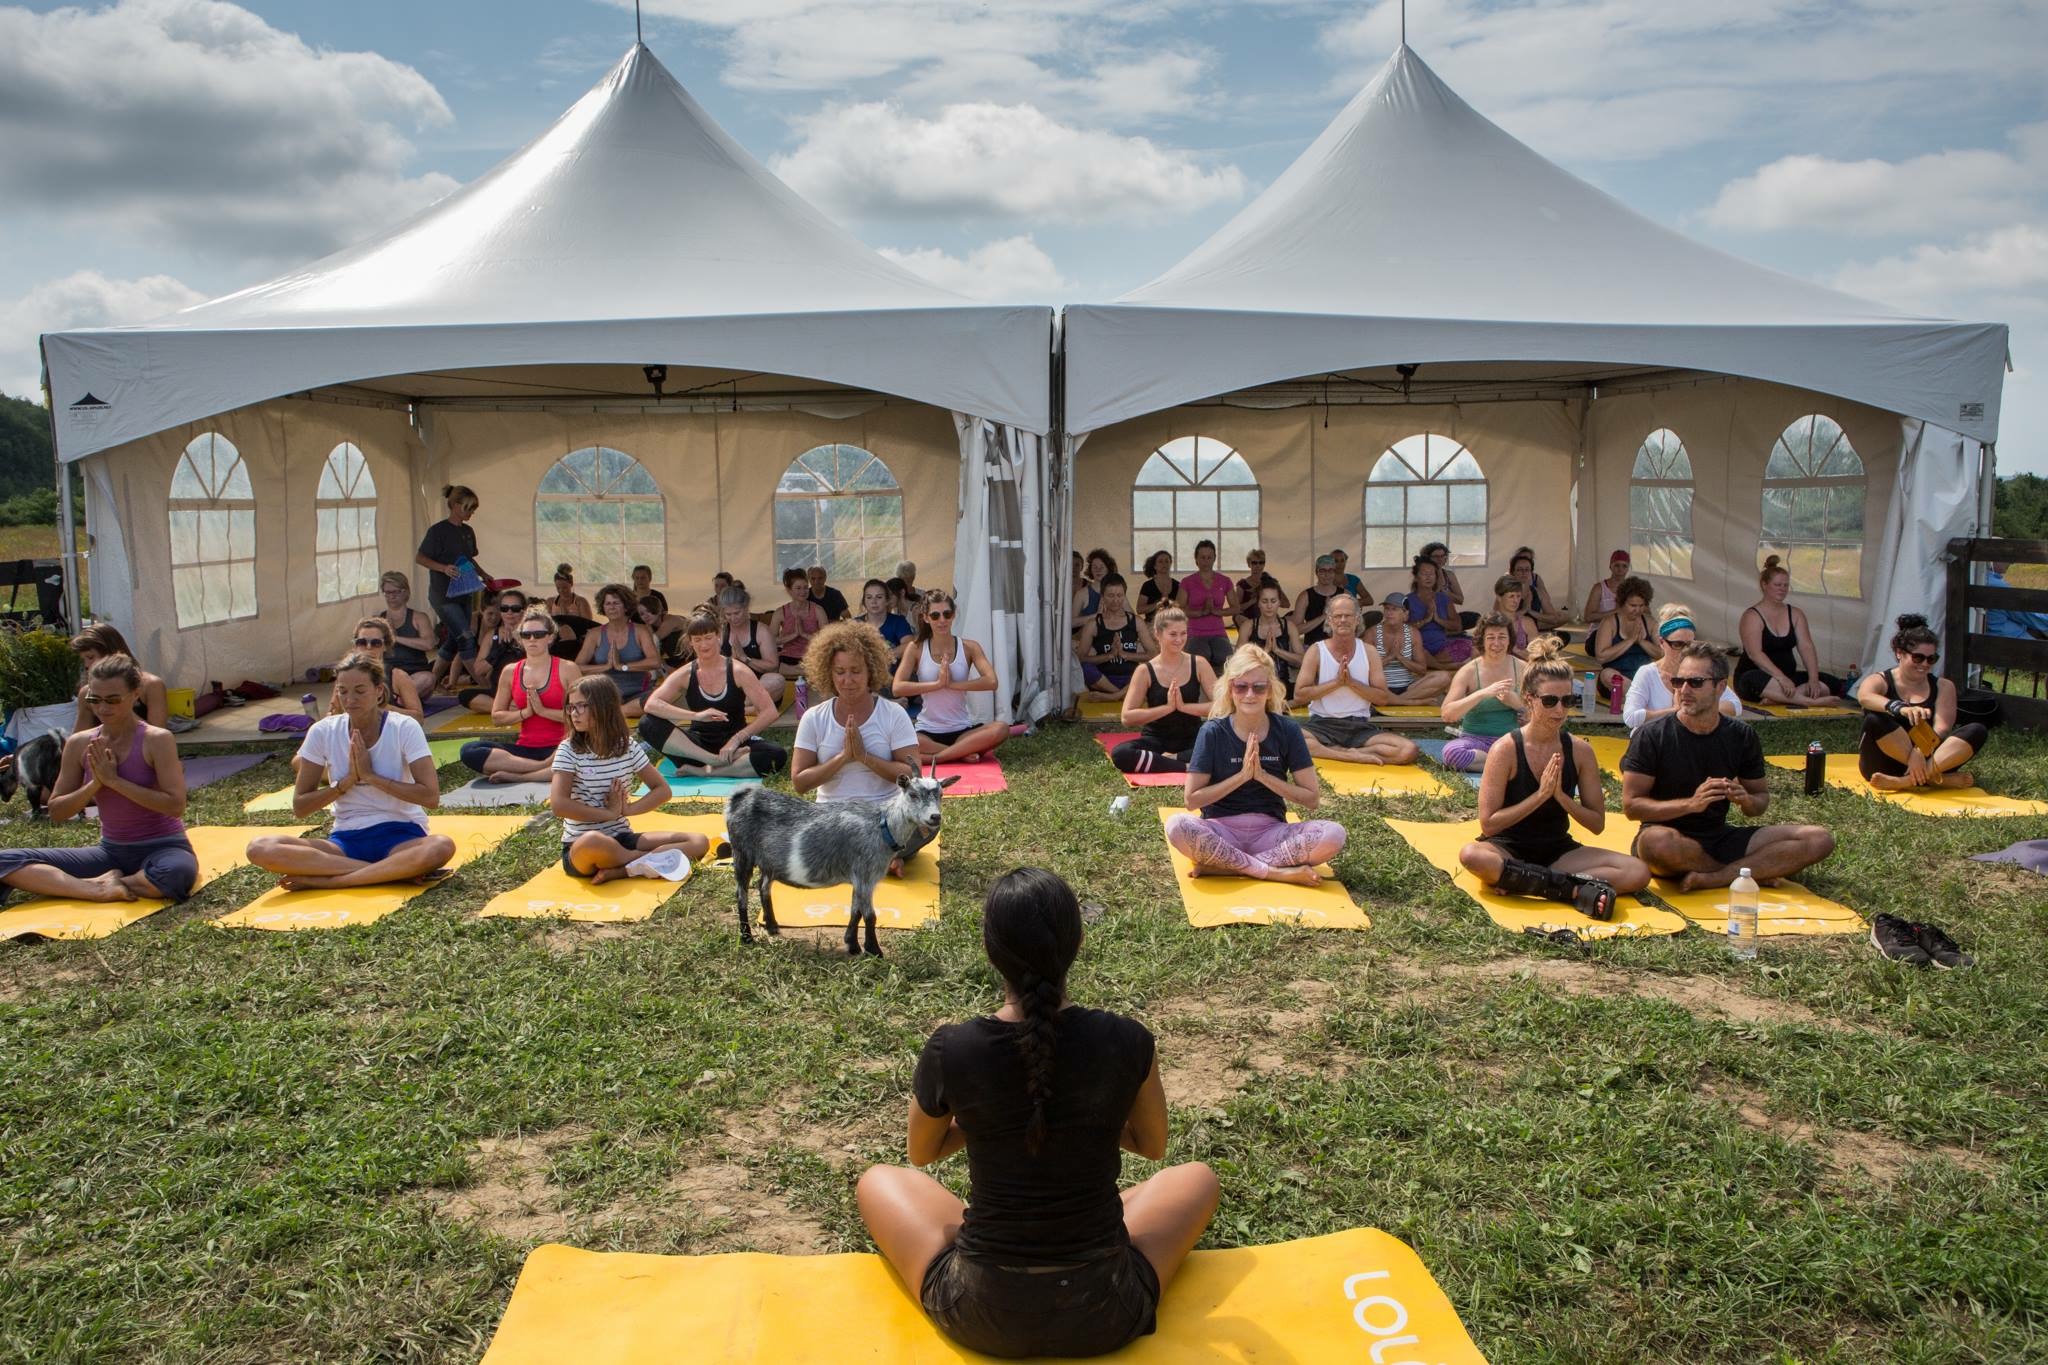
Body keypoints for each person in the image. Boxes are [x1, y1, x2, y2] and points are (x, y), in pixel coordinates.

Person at [856, 868, 1220, 1360]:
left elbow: (921, 1154)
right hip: (1106, 1311)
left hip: (981, 1312)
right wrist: (1085, 1118)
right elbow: (1152, 1146)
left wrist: (982, 1119)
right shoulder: (1129, 1040)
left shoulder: (952, 1047)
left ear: (991, 950)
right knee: (1197, 1178)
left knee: (878, 1180)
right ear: (1078, 941)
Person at [1457, 637, 1651, 919]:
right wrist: (1540, 796)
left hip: (1558, 850)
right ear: (1529, 700)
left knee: (1638, 871)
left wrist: (1561, 798)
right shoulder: (1506, 749)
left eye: (1567, 701)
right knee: (1472, 856)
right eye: (1550, 701)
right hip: (1507, 848)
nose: (1560, 710)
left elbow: (1596, 824)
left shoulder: (1580, 751)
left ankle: (1528, 881)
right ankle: (1571, 889)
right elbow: (1488, 823)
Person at [1622, 643, 1834, 891]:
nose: (1684, 690)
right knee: (1655, 844)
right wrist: (1691, 804)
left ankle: (1716, 878)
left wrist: (1744, 799)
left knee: (1819, 838)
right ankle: (1751, 871)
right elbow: (1632, 806)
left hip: (1720, 837)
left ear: (1721, 687)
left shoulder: (1741, 735)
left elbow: (1760, 801)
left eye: (1696, 682)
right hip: (1668, 835)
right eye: (1678, 682)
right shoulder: (1651, 735)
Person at [246, 653, 455, 890]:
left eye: (359, 691)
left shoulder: (403, 727)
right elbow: (301, 806)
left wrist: (371, 777)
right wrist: (345, 784)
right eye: (342, 691)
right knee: (260, 848)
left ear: (379, 691)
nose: (350, 699)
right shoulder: (322, 731)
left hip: (402, 836)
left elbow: (430, 797)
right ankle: (390, 872)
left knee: (440, 846)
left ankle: (332, 880)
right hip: (345, 841)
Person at [1, 654, 196, 904]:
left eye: (113, 700)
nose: (103, 708)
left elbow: (176, 805)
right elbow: (58, 811)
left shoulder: (157, 739)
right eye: (95, 699)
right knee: (4, 860)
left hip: (164, 848)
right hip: (110, 852)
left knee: (175, 875)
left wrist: (115, 782)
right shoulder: (80, 743)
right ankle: (96, 889)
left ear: (136, 694)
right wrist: (95, 784)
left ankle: (96, 884)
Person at [1165, 645, 1347, 886]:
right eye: (1241, 686)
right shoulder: (1212, 732)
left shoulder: (1287, 730)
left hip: (1272, 834)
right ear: (1231, 690)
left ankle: (1230, 867)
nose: (1249, 694)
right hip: (1221, 831)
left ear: (1270, 690)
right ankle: (1274, 872)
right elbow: (1192, 800)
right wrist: (1241, 776)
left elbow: (1311, 799)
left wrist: (1262, 776)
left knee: (1334, 834)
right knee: (1176, 826)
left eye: (1258, 687)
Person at [551, 675, 709, 881]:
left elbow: (662, 790)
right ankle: (641, 860)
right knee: (593, 841)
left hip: (621, 837)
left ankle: (623, 869)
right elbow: (559, 805)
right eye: (571, 707)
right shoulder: (568, 749)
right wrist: (608, 814)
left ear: (603, 707)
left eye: (581, 706)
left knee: (698, 841)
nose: (574, 713)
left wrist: (627, 810)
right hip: (581, 846)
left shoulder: (626, 747)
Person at [637, 613, 789, 778]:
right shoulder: (686, 673)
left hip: (734, 747)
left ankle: (705, 771)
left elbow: (769, 711)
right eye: (697, 640)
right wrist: (697, 715)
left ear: (718, 636)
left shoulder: (738, 670)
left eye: (708, 638)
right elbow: (651, 704)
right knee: (647, 722)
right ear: (691, 642)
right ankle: (714, 762)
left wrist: (736, 740)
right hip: (696, 751)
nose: (704, 645)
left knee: (776, 754)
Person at [792, 621, 921, 804]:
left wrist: (864, 757)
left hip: (884, 815)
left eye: (856, 671)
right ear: (829, 673)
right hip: (831, 817)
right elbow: (800, 783)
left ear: (871, 671)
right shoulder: (813, 718)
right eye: (840, 672)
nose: (848, 680)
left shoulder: (894, 714)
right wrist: (843, 757)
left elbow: (914, 775)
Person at [1855, 615, 1988, 791]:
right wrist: (1899, 708)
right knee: (1874, 718)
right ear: (1899, 653)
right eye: (1918, 658)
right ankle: (1933, 778)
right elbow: (1864, 696)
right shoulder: (1880, 680)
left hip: (1928, 757)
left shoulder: (1943, 686)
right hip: (1883, 764)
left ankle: (1908, 781)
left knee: (1977, 730)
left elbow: (1942, 728)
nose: (1925, 664)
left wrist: (1919, 751)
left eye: (1931, 659)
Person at [1292, 595, 1420, 765]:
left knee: (1408, 750)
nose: (1343, 620)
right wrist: (1336, 683)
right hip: (1321, 724)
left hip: (1359, 727)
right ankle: (1350, 755)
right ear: (1329, 620)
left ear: (1357, 619)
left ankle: (1340, 752)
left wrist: (1351, 683)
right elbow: (1300, 695)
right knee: (1291, 739)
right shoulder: (1316, 650)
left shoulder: (1369, 652)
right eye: (1337, 616)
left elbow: (1382, 698)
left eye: (1348, 615)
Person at [461, 607, 577, 780]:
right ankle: (541, 768)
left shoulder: (567, 668)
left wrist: (543, 711)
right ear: (520, 638)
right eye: (526, 635)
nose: (532, 639)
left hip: (564, 746)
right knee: (469, 751)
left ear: (550, 637)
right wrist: (526, 713)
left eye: (538, 634)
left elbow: (587, 715)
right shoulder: (511, 671)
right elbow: (497, 717)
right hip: (526, 750)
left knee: (584, 754)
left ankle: (520, 775)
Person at [894, 589, 1009, 764]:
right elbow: (898, 687)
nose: (942, 620)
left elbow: (991, 681)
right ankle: (959, 754)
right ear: (926, 618)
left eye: (946, 614)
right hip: (927, 733)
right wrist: (937, 684)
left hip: (962, 732)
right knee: (899, 741)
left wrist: (953, 684)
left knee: (1001, 729)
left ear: (953, 615)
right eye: (935, 616)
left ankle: (938, 758)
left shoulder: (970, 647)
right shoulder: (915, 648)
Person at [1111, 607, 1213, 775]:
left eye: (1183, 633)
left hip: (1192, 739)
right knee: (1121, 754)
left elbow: (1223, 706)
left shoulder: (1199, 663)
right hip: (1156, 740)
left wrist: (1183, 707)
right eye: (1173, 634)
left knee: (1227, 744)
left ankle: (1169, 760)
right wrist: (1167, 708)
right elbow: (1126, 717)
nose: (1179, 640)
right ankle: (1183, 765)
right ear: (1157, 634)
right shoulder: (1144, 671)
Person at [1737, 556, 1846, 706]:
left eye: (1786, 585)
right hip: (1759, 677)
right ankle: (1809, 701)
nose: (1782, 589)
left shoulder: (1795, 613)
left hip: (1789, 678)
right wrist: (1780, 678)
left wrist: (1813, 679)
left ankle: (1778, 699)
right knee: (1751, 679)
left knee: (1832, 682)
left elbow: (1806, 647)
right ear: (1764, 585)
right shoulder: (1752, 616)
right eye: (1777, 585)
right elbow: (1754, 654)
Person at [414, 485, 487, 689]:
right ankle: (483, 684)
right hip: (443, 595)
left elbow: (469, 559)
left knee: (455, 639)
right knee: (465, 637)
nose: (471, 513)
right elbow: (420, 557)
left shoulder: (467, 531)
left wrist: (483, 574)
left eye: (473, 509)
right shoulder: (438, 531)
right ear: (454, 506)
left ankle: (432, 680)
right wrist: (443, 568)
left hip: (464, 591)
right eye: (468, 508)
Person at [1624, 604, 1739, 731]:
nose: (1684, 650)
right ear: (1662, 643)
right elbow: (1630, 717)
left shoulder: (1700, 670)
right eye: (1677, 644)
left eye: (1689, 644)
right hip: (1652, 743)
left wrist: (1697, 708)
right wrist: (1675, 711)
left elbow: (1735, 706)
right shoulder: (1648, 673)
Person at [1439, 613, 1526, 772]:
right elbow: (1447, 714)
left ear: (1509, 639)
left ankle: (1505, 764)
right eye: (1491, 637)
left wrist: (1516, 703)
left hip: (1511, 740)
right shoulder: (1469, 671)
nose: (1496, 643)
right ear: (1482, 640)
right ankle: (1508, 766)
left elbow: (1540, 714)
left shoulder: (1522, 668)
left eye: (1502, 637)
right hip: (1474, 741)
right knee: (1452, 753)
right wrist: (1482, 694)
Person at [574, 583, 660, 717]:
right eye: (608, 604)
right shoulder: (594, 634)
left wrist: (623, 666)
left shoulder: (640, 630)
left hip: (638, 694)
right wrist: (606, 666)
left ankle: (616, 712)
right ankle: (618, 711)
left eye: (616, 603)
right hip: (605, 695)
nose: (612, 607)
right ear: (603, 607)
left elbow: (655, 662)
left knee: (657, 701)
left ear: (626, 606)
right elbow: (577, 667)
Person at [69, 624, 168, 730]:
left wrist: (123, 707)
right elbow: (79, 738)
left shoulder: (151, 685)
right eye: (82, 660)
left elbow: (158, 736)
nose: (86, 665)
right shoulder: (86, 693)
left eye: (90, 657)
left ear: (111, 652)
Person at [337, 617, 427, 724]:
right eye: (362, 642)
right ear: (355, 645)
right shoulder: (345, 676)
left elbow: (419, 719)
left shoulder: (398, 676)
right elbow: (334, 714)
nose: (368, 647)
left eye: (376, 643)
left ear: (385, 646)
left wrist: (382, 708)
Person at [1590, 575, 1663, 707]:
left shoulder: (1650, 623)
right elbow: (1601, 656)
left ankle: (1639, 698)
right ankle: (1642, 698)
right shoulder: (1610, 622)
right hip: (1616, 678)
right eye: (1633, 605)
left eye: (1641, 606)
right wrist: (1630, 641)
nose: (1637, 610)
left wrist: (1642, 642)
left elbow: (1662, 654)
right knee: (1608, 674)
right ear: (1622, 603)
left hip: (1643, 677)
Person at [1077, 574, 1153, 697]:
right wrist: (1109, 656)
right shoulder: (1093, 624)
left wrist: (1125, 655)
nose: (1115, 600)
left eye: (1119, 595)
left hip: (1131, 680)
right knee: (1085, 668)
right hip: (1103, 681)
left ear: (1124, 596)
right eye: (1111, 596)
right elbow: (1081, 658)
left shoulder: (1136, 622)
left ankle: (1114, 696)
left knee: (1152, 667)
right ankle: (1119, 694)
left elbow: (1152, 654)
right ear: (1102, 597)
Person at [1367, 592, 1450, 703]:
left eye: (1395, 609)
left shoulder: (1413, 634)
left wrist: (1400, 658)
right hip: (1380, 688)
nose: (1389, 613)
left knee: (1444, 677)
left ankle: (1398, 701)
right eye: (1387, 609)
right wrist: (1390, 657)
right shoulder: (1372, 633)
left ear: (1405, 614)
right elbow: (1364, 669)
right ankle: (1402, 701)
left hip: (1408, 688)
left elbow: (1421, 670)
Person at [717, 585, 787, 704]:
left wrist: (745, 658)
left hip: (758, 685)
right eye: (728, 614)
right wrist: (732, 661)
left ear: (746, 608)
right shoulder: (721, 631)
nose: (733, 618)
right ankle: (749, 708)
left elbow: (773, 665)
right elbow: (712, 667)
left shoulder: (761, 631)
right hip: (731, 686)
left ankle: (741, 706)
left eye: (737, 613)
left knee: (776, 680)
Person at [458, 590, 526, 710]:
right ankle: (510, 708)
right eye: (505, 608)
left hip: (526, 689)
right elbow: (478, 670)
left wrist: (518, 644)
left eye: (515, 608)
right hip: (499, 691)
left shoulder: (531, 633)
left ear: (523, 611)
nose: (509, 612)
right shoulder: (492, 635)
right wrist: (498, 650)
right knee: (464, 696)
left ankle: (509, 707)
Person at [377, 571, 440, 698]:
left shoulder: (419, 618)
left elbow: (429, 644)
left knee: (428, 678)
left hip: (415, 673)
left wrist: (395, 638)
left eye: (396, 592)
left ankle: (395, 699)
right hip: (389, 672)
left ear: (405, 592)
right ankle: (398, 699)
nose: (392, 596)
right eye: (388, 593)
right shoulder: (378, 620)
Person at [1179, 539, 1237, 670]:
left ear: (1214, 558)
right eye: (1202, 557)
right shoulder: (1187, 582)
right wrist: (1200, 613)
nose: (1206, 561)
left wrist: (1217, 612)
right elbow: (1179, 609)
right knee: (1201, 658)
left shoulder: (1225, 581)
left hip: (1218, 632)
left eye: (1209, 557)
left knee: (1226, 658)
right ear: (1196, 559)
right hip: (1195, 632)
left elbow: (1236, 608)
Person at [1407, 556, 1471, 665]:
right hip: (1417, 646)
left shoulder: (1444, 598)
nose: (1428, 577)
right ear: (1416, 577)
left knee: (1470, 645)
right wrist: (1425, 620)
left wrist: (1438, 619)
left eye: (1432, 574)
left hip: (1441, 648)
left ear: (1436, 577)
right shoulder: (1407, 600)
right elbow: (1401, 630)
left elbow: (1457, 626)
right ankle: (1439, 665)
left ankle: (1432, 663)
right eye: (1424, 574)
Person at [1242, 583, 1302, 689]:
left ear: (1279, 602)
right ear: (1258, 603)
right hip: (1255, 684)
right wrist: (1265, 651)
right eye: (1264, 601)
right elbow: (1238, 662)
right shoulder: (1248, 626)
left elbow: (1302, 659)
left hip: (1282, 684)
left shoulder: (1289, 626)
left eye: (1273, 601)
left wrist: (1277, 650)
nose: (1269, 606)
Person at [774, 568, 826, 677]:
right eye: (798, 588)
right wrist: (793, 635)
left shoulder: (818, 610)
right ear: (789, 590)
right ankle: (803, 671)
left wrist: (804, 634)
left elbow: (826, 640)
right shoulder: (780, 612)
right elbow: (770, 641)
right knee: (774, 665)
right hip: (788, 657)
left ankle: (801, 670)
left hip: (812, 655)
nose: (803, 591)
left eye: (805, 587)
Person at [858, 578, 916, 666]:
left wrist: (883, 657)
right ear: (864, 601)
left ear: (887, 600)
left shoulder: (898, 621)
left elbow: (909, 644)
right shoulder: (855, 624)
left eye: (879, 597)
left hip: (893, 677)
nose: (874, 602)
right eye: (869, 597)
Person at [1510, 547, 1571, 631]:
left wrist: (1531, 611)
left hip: (1533, 621)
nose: (1523, 572)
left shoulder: (1537, 589)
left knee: (1563, 616)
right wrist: (1524, 610)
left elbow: (1553, 618)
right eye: (1520, 570)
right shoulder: (1506, 589)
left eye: (1527, 569)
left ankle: (1533, 629)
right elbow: (1502, 618)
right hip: (1514, 625)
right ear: (1513, 572)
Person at [1985, 562, 2048, 639]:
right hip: (2011, 643)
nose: (2011, 562)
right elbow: (2032, 616)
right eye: (2007, 557)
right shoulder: (1997, 586)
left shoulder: (1985, 580)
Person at [546, 563, 597, 653]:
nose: (561, 591)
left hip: (578, 639)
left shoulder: (580, 601)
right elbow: (547, 624)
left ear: (571, 584)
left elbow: (588, 625)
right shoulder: (550, 601)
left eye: (565, 588)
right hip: (557, 639)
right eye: (558, 588)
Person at [1292, 554, 1342, 648]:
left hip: (1339, 647)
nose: (1326, 575)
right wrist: (1324, 616)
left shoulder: (1344, 595)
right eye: (1322, 571)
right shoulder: (1305, 596)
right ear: (1316, 572)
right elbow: (1296, 630)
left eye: (1330, 570)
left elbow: (1353, 625)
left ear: (1334, 572)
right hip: (1313, 648)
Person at [1491, 574, 1540, 659]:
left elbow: (1537, 653)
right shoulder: (1489, 623)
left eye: (1518, 596)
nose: (1516, 601)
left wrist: (1515, 650)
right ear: (1499, 598)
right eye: (1511, 596)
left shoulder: (1527, 623)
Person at [1232, 550, 1282, 631]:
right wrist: (1252, 601)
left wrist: (1271, 592)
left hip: (1267, 617)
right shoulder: (1242, 584)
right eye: (1254, 563)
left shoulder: (1271, 582)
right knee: (1237, 616)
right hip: (1248, 620)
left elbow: (1286, 604)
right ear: (1249, 564)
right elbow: (1236, 608)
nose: (1258, 565)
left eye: (1261, 562)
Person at [1583, 550, 1632, 631]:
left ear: (1628, 569)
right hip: (1598, 632)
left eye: (1624, 566)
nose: (1620, 569)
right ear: (1610, 566)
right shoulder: (1599, 588)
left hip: (1623, 633)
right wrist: (1617, 612)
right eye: (1617, 565)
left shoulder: (1633, 588)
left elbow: (1646, 613)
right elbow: (1588, 617)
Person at [637, 590, 687, 667]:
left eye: (649, 611)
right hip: (677, 660)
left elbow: (654, 640)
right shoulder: (649, 626)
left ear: (659, 610)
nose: (646, 616)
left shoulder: (671, 620)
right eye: (642, 614)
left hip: (692, 659)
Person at [1135, 551, 1182, 621]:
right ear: (1154, 566)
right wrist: (1157, 604)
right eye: (1160, 561)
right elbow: (1139, 609)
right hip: (1152, 624)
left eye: (1167, 561)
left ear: (1170, 564)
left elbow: (1182, 607)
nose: (1164, 564)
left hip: (1173, 623)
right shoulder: (1148, 585)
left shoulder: (1178, 585)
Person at [1420, 541, 1465, 608]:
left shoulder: (1449, 575)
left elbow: (1460, 600)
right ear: (1427, 558)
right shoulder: (1421, 575)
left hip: (1446, 614)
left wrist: (1444, 592)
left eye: (1442, 556)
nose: (1440, 559)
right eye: (1436, 556)